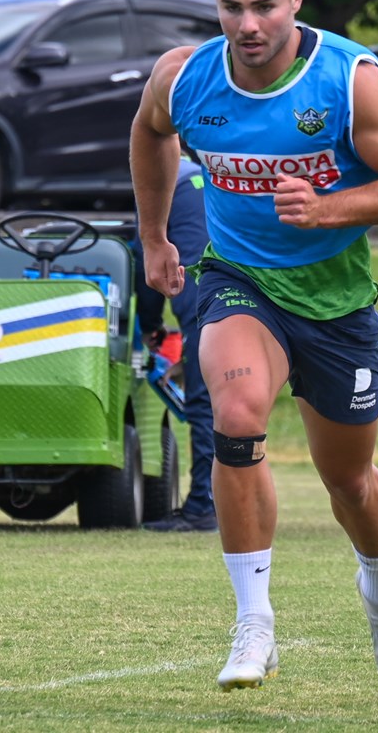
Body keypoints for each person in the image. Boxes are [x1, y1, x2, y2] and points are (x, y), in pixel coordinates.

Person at [129, 0, 378, 693]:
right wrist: (154, 238)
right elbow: (149, 133)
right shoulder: (185, 78)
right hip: (240, 280)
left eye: (265, 6)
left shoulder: (348, 78)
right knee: (235, 415)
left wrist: (331, 207)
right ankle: (254, 624)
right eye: (232, 8)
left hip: (334, 302)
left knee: (352, 485)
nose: (249, 25)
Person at [133, 152, 216, 532]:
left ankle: (203, 507)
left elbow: (146, 267)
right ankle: (228, 505)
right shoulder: (204, 178)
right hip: (246, 301)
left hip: (204, 306)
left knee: (204, 405)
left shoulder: (158, 188)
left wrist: (149, 326)